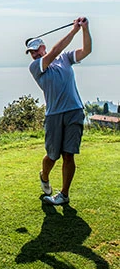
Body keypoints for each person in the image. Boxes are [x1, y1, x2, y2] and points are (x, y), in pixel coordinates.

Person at [26, 17, 92, 205]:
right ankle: (44, 176)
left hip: (74, 111)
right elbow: (55, 52)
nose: (34, 54)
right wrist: (73, 31)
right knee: (52, 156)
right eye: (31, 52)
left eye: (36, 50)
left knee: (68, 154)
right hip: (54, 116)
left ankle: (64, 194)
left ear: (42, 47)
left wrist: (85, 30)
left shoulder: (65, 59)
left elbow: (86, 51)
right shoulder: (36, 67)